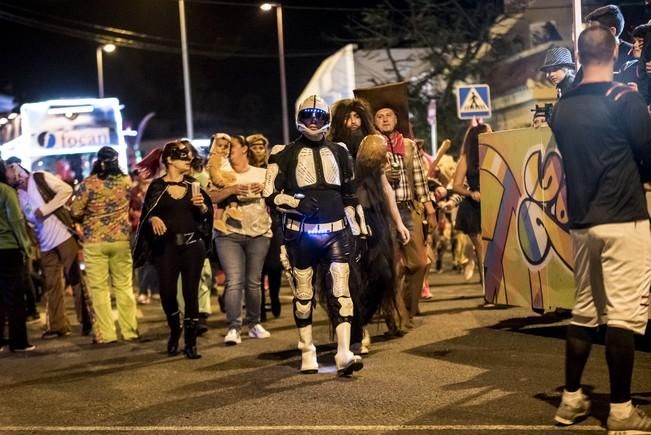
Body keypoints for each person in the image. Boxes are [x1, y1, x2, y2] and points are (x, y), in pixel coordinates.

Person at [550, 24, 651, 433]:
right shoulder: (623, 98)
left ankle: (571, 399)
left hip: (583, 221)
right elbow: (648, 155)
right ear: (613, 53)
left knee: (585, 312)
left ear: (578, 56)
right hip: (624, 217)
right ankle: (622, 410)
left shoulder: (564, 107)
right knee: (623, 316)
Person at [264, 95, 364, 376]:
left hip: (336, 232)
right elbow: (269, 193)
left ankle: (344, 353)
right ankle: (307, 350)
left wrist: (359, 230)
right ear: (300, 117)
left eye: (319, 116)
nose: (313, 121)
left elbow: (350, 195)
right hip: (301, 234)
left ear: (326, 120)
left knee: (342, 292)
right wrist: (297, 203)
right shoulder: (283, 152)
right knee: (304, 294)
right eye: (308, 115)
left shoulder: (340, 151)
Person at [354, 82, 437, 328]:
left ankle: (407, 310)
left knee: (420, 263)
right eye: (379, 116)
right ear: (375, 122)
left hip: (409, 209)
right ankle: (394, 314)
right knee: (391, 266)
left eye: (388, 115)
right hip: (382, 212)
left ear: (396, 118)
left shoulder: (409, 146)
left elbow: (420, 180)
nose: (385, 119)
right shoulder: (369, 146)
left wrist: (429, 208)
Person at [133, 140, 214, 359]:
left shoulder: (194, 184)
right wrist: (154, 219)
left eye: (189, 157)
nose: (189, 161)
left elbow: (207, 216)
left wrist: (203, 206)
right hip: (166, 248)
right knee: (168, 294)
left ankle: (190, 343)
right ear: (169, 160)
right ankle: (175, 329)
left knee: (190, 294)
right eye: (183, 157)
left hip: (192, 246)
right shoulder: (157, 187)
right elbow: (147, 215)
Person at [5, 159, 94, 339]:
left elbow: (66, 190)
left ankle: (87, 321)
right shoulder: (18, 194)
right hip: (45, 243)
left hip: (63, 236)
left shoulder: (40, 178)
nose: (9, 178)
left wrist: (46, 209)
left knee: (75, 280)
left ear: (17, 172)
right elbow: (28, 218)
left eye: (10, 174)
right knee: (52, 285)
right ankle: (57, 325)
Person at [70, 146, 138, 344]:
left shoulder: (88, 184)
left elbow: (75, 211)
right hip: (121, 240)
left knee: (99, 289)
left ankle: (107, 334)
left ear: (98, 161)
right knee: (124, 287)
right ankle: (130, 331)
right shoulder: (125, 181)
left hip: (95, 242)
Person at [211, 135, 272, 345]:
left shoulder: (262, 173)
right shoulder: (221, 173)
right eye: (225, 147)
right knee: (234, 281)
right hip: (228, 233)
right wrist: (232, 189)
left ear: (244, 149)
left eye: (233, 146)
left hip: (259, 232)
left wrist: (265, 190)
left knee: (253, 282)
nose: (228, 150)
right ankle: (233, 327)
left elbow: (276, 195)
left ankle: (254, 323)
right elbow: (211, 196)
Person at [0, 159, 35, 352]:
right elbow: (16, 221)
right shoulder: (6, 191)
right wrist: (26, 247)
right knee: (14, 296)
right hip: (8, 249)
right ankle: (19, 342)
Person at [452, 124, 492, 287]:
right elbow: (456, 185)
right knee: (482, 249)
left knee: (494, 249)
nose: (492, 134)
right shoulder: (467, 158)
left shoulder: (496, 154)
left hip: (494, 205)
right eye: (488, 132)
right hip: (474, 208)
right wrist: (471, 193)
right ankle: (488, 290)